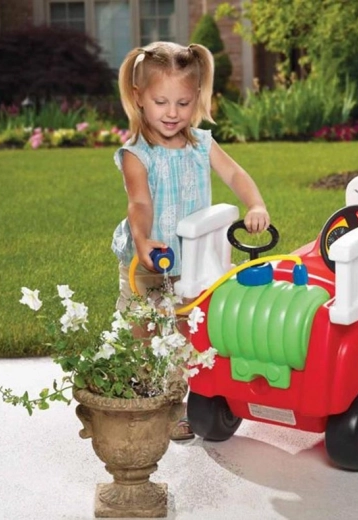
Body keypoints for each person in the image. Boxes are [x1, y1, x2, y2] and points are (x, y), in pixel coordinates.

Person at [111, 41, 271, 440]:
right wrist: (142, 239)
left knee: (189, 333)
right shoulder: (137, 154)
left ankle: (178, 403)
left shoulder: (202, 144)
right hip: (150, 262)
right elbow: (140, 203)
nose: (172, 113)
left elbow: (235, 174)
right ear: (139, 97)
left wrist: (254, 203)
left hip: (195, 264)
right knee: (143, 332)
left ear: (197, 97)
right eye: (161, 102)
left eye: (182, 103)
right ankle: (142, 399)